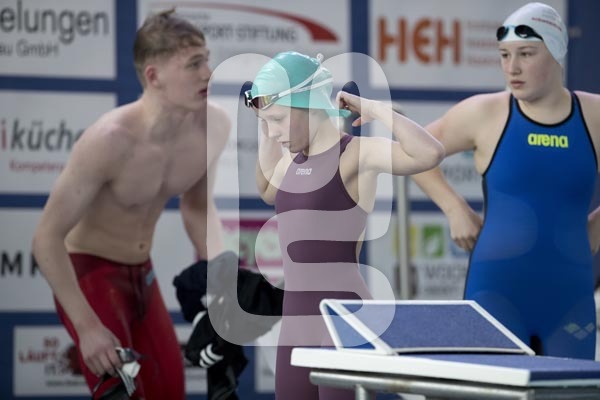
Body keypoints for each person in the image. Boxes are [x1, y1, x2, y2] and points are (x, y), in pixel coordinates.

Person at [31, 9, 230, 399]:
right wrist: (87, 328)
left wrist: (224, 284)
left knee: (170, 391)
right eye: (194, 64)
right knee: (123, 392)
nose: (208, 73)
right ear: (154, 76)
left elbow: (197, 208)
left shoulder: (215, 125)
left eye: (206, 60)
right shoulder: (109, 139)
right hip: (90, 272)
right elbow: (45, 238)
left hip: (143, 274)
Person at [245, 51, 444, 399]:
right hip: (296, 323)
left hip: (345, 319)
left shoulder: (355, 154)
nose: (274, 132)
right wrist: (264, 121)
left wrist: (376, 109)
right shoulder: (292, 159)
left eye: (278, 119)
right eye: (268, 123)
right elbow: (266, 189)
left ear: (309, 104)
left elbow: (429, 153)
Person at [411, 2, 600, 360]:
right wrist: (454, 208)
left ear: (556, 51)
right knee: (492, 386)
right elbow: (413, 150)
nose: (512, 68)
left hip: (570, 301)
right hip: (497, 294)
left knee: (569, 388)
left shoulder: (593, 116)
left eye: (526, 54)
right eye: (504, 55)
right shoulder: (485, 113)